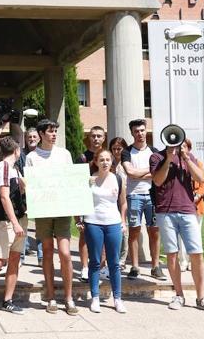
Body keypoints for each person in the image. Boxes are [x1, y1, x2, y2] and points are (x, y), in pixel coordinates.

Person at [150, 138, 204, 314]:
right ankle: (179, 295)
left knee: (197, 253)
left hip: (188, 210)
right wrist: (168, 157)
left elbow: (201, 178)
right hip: (165, 211)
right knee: (172, 254)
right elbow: (157, 181)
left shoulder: (190, 157)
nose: (174, 142)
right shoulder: (157, 157)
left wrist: (186, 158)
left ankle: (201, 297)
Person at [26, 119, 79, 315]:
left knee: (65, 253)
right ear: (41, 134)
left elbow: (71, 181)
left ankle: (69, 297)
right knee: (47, 253)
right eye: (50, 131)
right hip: (43, 210)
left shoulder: (64, 154)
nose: (54, 134)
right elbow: (32, 185)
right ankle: (51, 296)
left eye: (55, 131)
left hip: (62, 209)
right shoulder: (32, 157)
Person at [0, 136, 28, 317]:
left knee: (15, 259)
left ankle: (7, 300)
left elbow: (16, 194)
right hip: (6, 221)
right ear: (16, 151)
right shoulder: (4, 167)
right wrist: (15, 223)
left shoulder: (14, 168)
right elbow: (4, 196)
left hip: (19, 219)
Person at [80, 149, 127, 314]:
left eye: (108, 160)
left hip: (113, 223)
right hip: (93, 223)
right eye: (102, 160)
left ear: (112, 162)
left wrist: (123, 221)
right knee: (94, 262)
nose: (105, 162)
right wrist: (80, 219)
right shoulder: (90, 179)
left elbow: (123, 203)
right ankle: (95, 298)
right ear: (96, 161)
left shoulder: (118, 179)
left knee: (114, 263)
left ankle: (118, 299)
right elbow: (81, 200)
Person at [121, 119, 166, 281]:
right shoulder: (127, 152)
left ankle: (155, 266)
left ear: (146, 131)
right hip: (134, 196)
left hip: (152, 196)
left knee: (154, 231)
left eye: (142, 130)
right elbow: (130, 173)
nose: (139, 134)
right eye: (136, 131)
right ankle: (134, 266)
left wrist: (140, 173)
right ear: (132, 133)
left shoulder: (154, 152)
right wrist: (151, 170)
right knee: (134, 231)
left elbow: (158, 173)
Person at [76, 125, 106, 282]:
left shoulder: (107, 156)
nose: (96, 139)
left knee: (104, 235)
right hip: (86, 199)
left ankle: (102, 267)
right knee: (84, 234)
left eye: (99, 136)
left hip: (104, 201)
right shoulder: (82, 157)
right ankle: (85, 268)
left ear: (103, 138)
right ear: (89, 138)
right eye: (93, 136)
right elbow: (76, 179)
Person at [176, 138, 204, 272]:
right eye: (180, 147)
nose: (182, 149)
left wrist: (198, 195)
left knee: (196, 234)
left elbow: (203, 182)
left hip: (196, 205)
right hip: (181, 205)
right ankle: (183, 261)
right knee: (181, 236)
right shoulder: (176, 164)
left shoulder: (197, 163)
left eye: (185, 146)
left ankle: (193, 262)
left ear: (189, 148)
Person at [16, 128, 42, 267]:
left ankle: (41, 256)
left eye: (34, 136)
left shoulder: (42, 155)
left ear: (39, 138)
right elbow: (17, 170)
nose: (32, 139)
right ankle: (21, 255)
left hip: (40, 195)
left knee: (41, 227)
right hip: (24, 195)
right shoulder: (21, 154)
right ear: (26, 139)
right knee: (23, 226)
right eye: (29, 137)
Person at [110, 137, 130, 270]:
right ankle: (112, 257)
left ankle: (122, 259)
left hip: (124, 198)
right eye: (114, 149)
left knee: (124, 230)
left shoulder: (127, 163)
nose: (117, 151)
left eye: (119, 149)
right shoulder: (108, 162)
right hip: (110, 199)